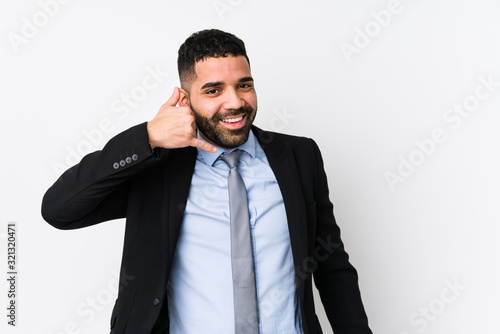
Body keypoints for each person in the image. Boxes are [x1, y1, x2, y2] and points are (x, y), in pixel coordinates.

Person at [42, 29, 372, 334]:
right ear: (185, 100)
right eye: (213, 90)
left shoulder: (299, 156)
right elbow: (59, 209)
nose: (235, 102)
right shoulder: (157, 167)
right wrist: (147, 137)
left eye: (244, 85)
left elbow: (332, 264)